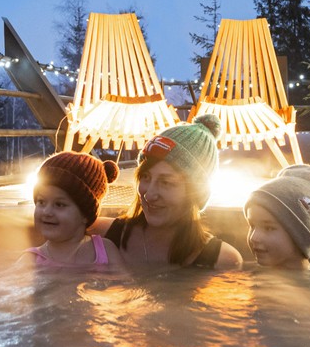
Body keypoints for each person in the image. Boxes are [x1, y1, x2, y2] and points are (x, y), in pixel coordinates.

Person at [101, 114, 243, 270]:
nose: (149, 195)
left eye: (166, 182)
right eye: (145, 177)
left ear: (195, 192)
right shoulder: (102, 235)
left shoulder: (222, 260)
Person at [21, 151, 126, 272]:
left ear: (85, 214)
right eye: (41, 202)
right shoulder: (30, 261)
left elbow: (125, 286)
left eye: (59, 204)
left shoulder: (105, 250)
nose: (47, 211)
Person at [244, 164, 310, 270]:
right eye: (252, 226)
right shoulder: (238, 270)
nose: (254, 237)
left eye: (269, 228)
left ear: (300, 234)